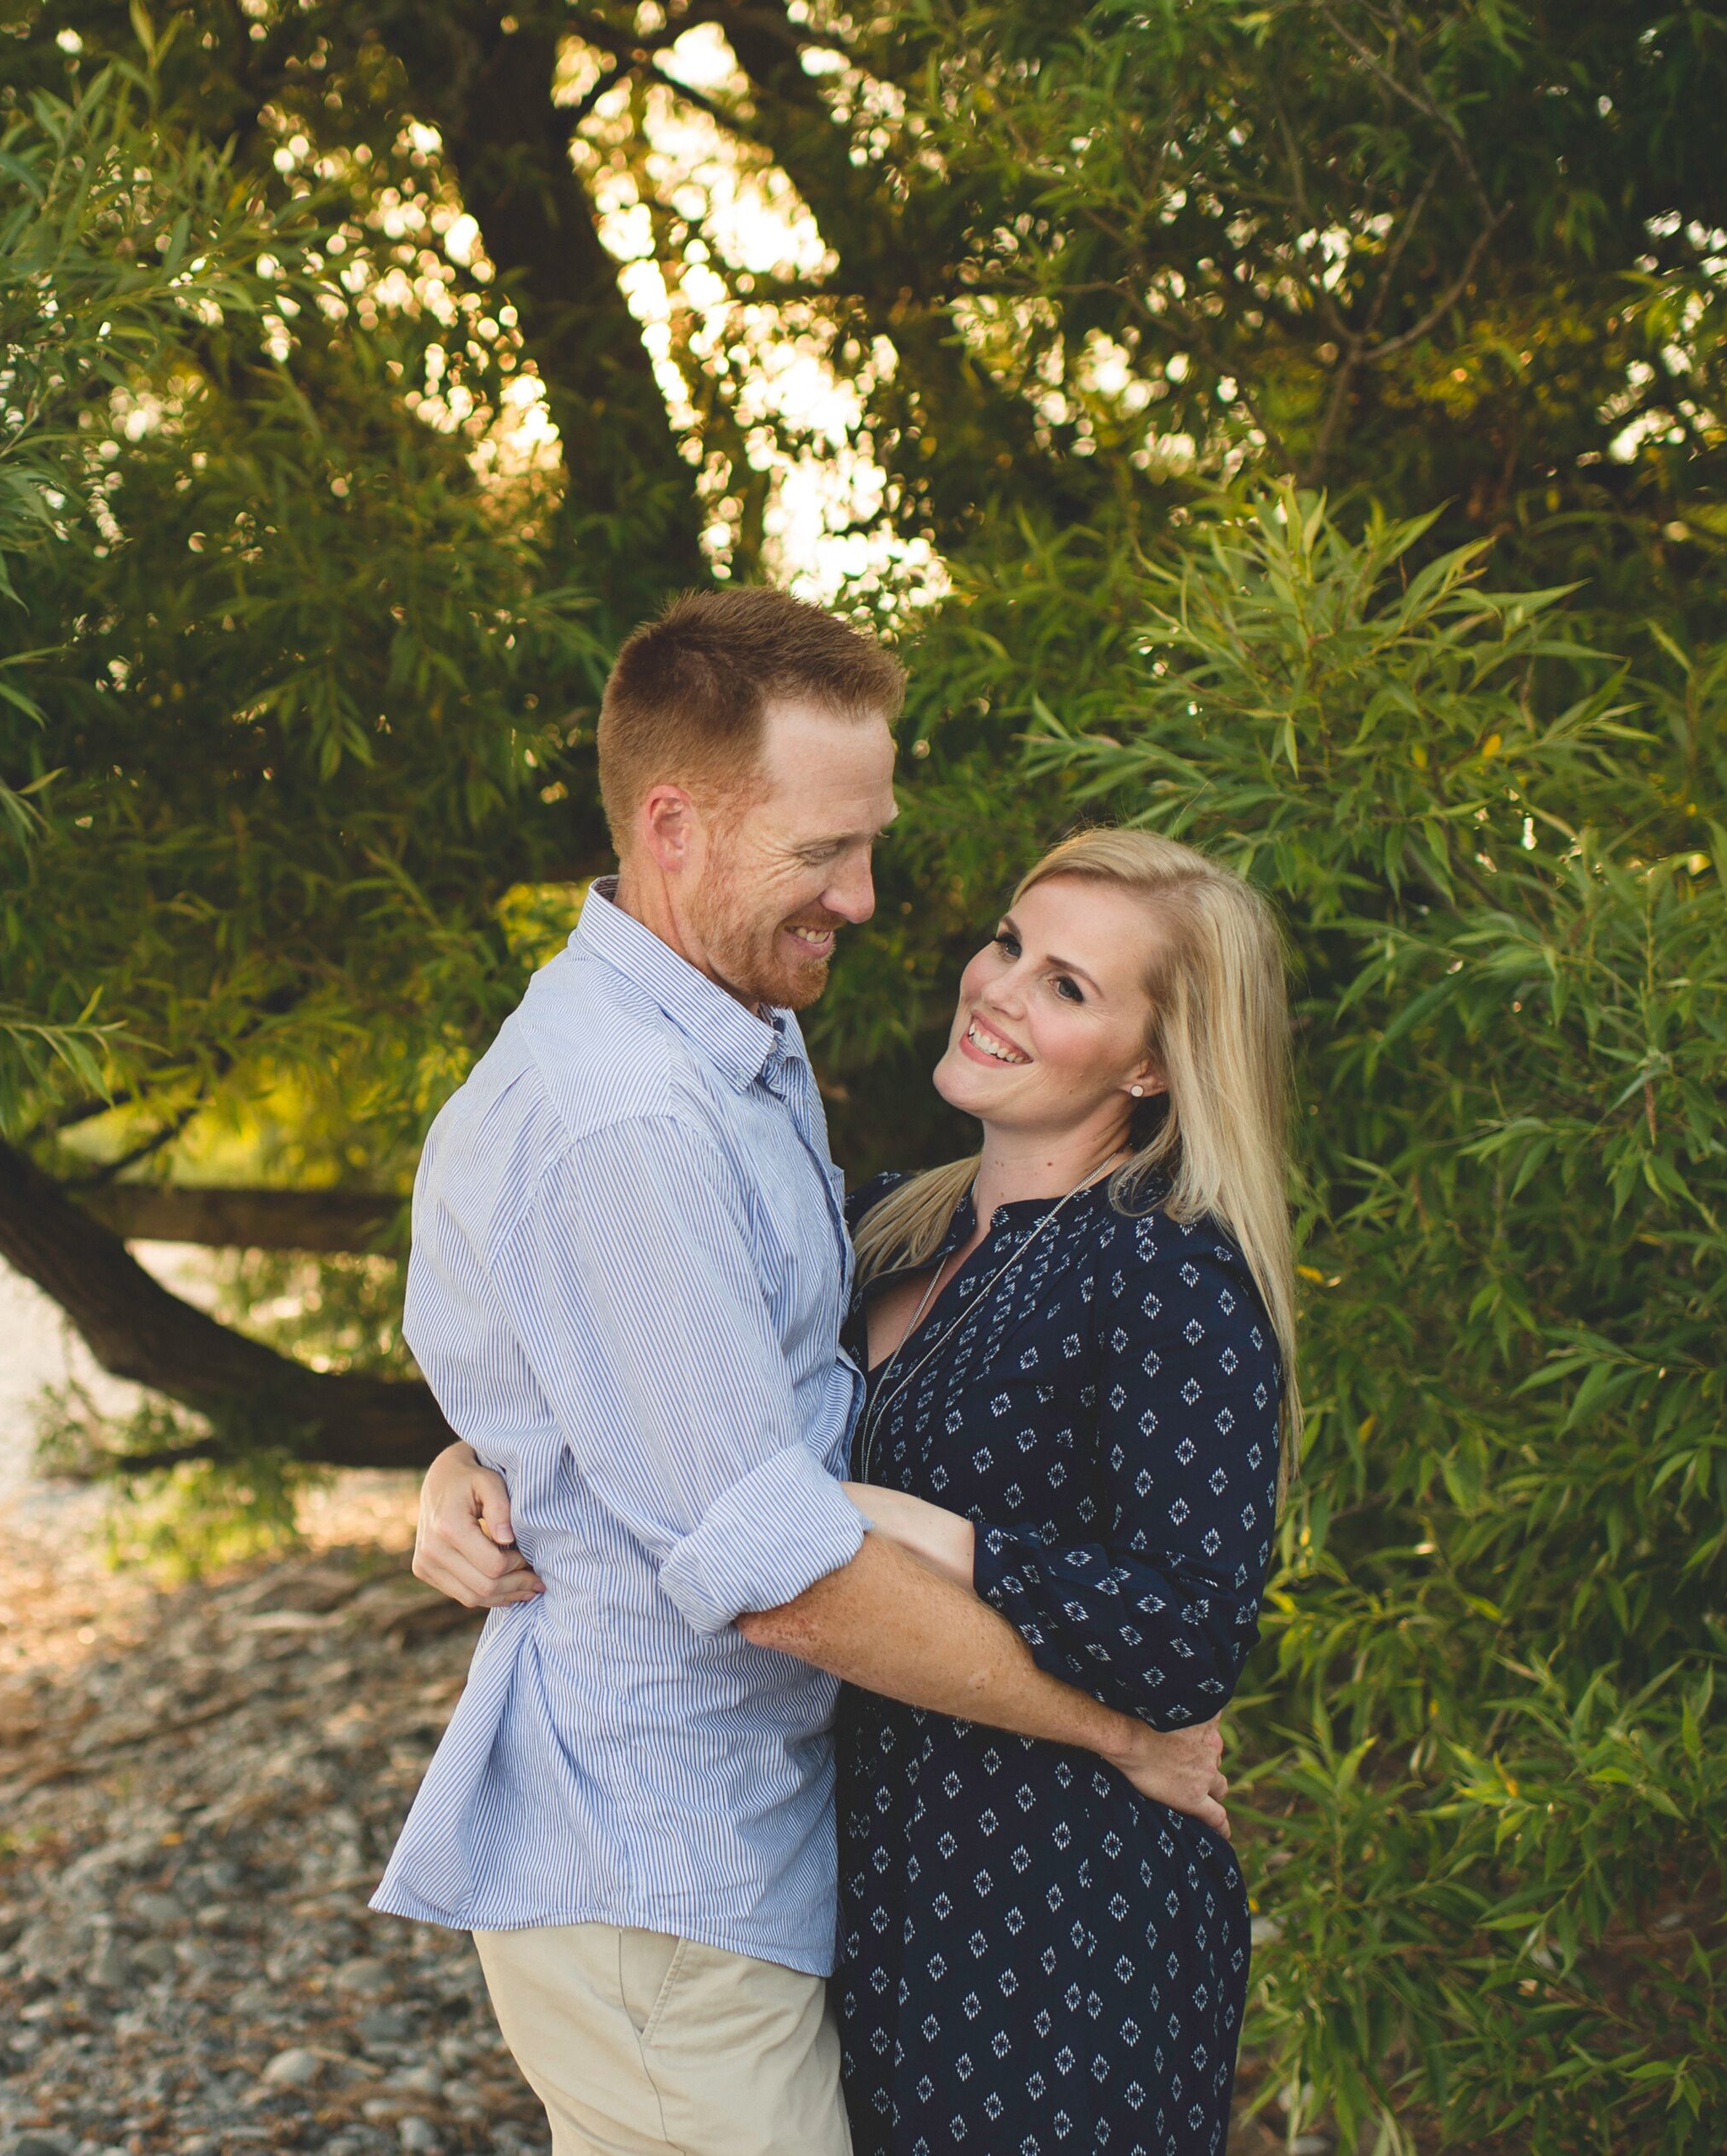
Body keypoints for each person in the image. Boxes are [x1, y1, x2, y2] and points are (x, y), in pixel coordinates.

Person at [370, 589, 1228, 2156]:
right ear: (680, 825)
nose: (870, 894)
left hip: (778, 1860)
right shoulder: (629, 1115)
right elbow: (773, 1568)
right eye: (826, 850)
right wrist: (1117, 1730)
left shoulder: (729, 1048)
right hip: (665, 1870)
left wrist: (486, 1460)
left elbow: (651, 1398)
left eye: (872, 841)